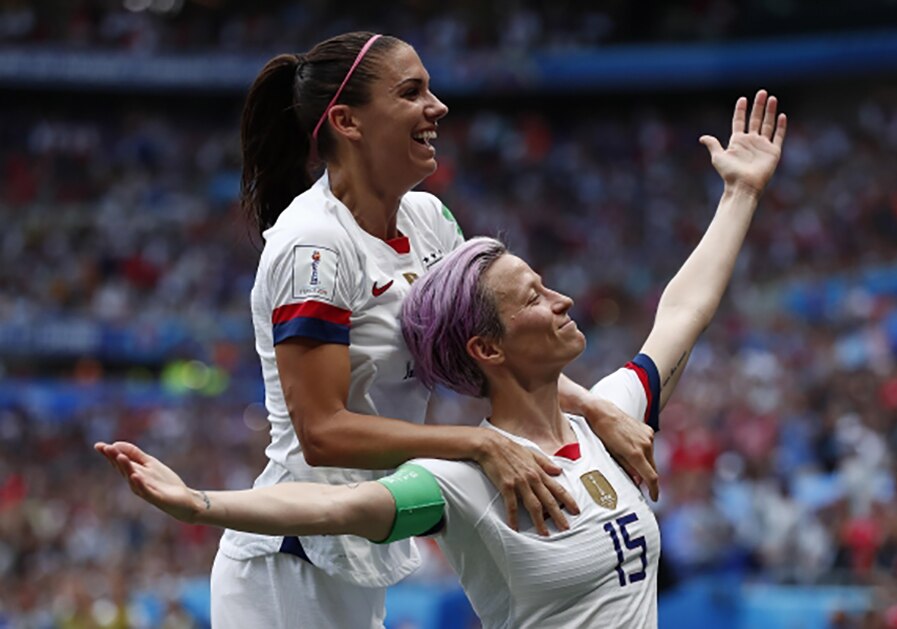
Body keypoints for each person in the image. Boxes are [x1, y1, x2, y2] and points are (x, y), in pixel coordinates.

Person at [97, 90, 786, 628]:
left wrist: (740, 192)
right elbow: (333, 506)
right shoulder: (462, 477)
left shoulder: (609, 419)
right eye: (536, 297)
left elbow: (681, 314)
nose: (564, 299)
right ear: (486, 347)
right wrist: (199, 504)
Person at [223, 30, 657, 628]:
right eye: (412, 92)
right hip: (289, 561)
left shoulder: (428, 218)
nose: (439, 106)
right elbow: (322, 432)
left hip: (356, 548)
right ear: (348, 122)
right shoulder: (314, 247)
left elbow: (482, 349)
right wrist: (478, 443)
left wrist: (595, 409)